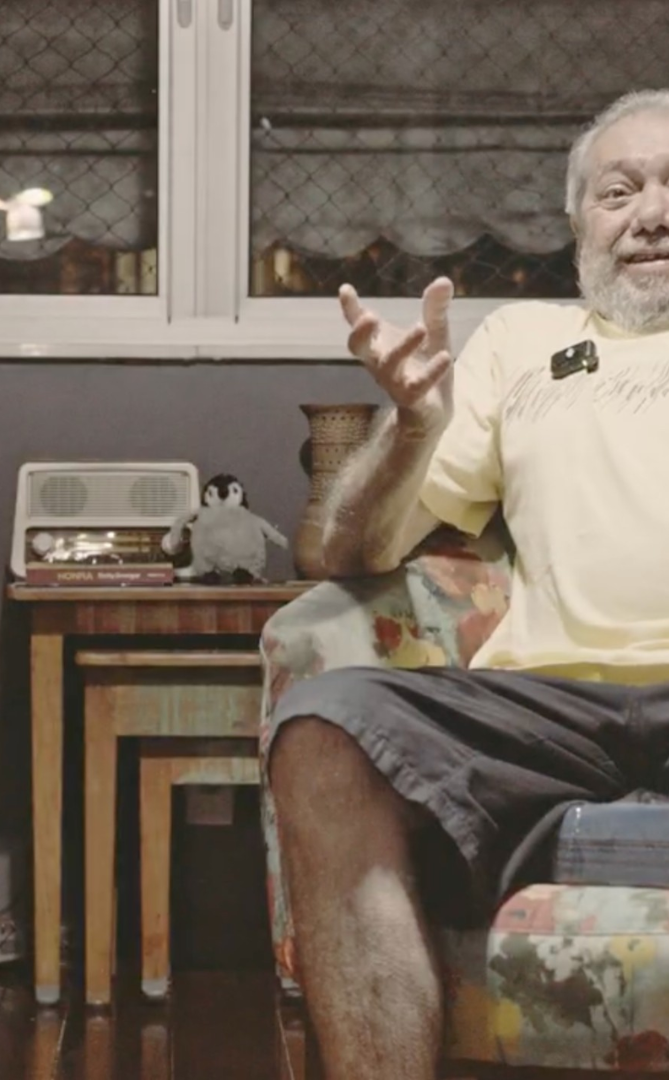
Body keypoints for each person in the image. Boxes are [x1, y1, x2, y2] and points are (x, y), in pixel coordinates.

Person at [266, 88, 669, 1080]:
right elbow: (344, 554)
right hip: (544, 716)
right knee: (324, 728)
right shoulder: (519, 345)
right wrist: (410, 427)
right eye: (620, 191)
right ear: (578, 221)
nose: (652, 214)